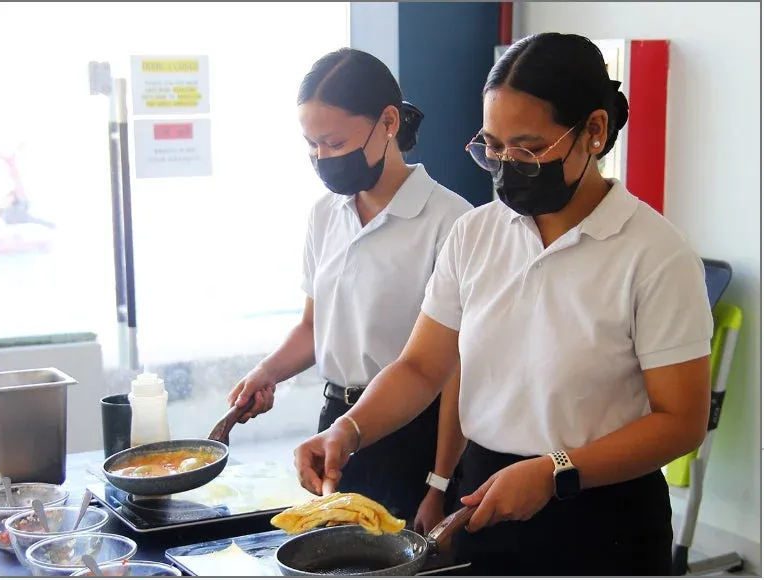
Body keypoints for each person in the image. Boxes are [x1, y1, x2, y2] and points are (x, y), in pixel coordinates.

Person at [292, 33, 713, 576]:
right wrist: (347, 430)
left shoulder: (655, 254)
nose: (507, 165)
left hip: (603, 513)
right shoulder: (475, 234)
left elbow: (681, 421)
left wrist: (556, 470)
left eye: (529, 148)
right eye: (493, 146)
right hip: (485, 496)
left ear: (594, 131)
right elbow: (422, 367)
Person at [227, 48, 473, 524]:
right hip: (335, 424)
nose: (322, 158)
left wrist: (439, 483)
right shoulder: (325, 214)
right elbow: (314, 326)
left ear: (388, 121)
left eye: (335, 143)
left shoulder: (451, 222)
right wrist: (268, 372)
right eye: (311, 145)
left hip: (416, 433)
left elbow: (455, 370)